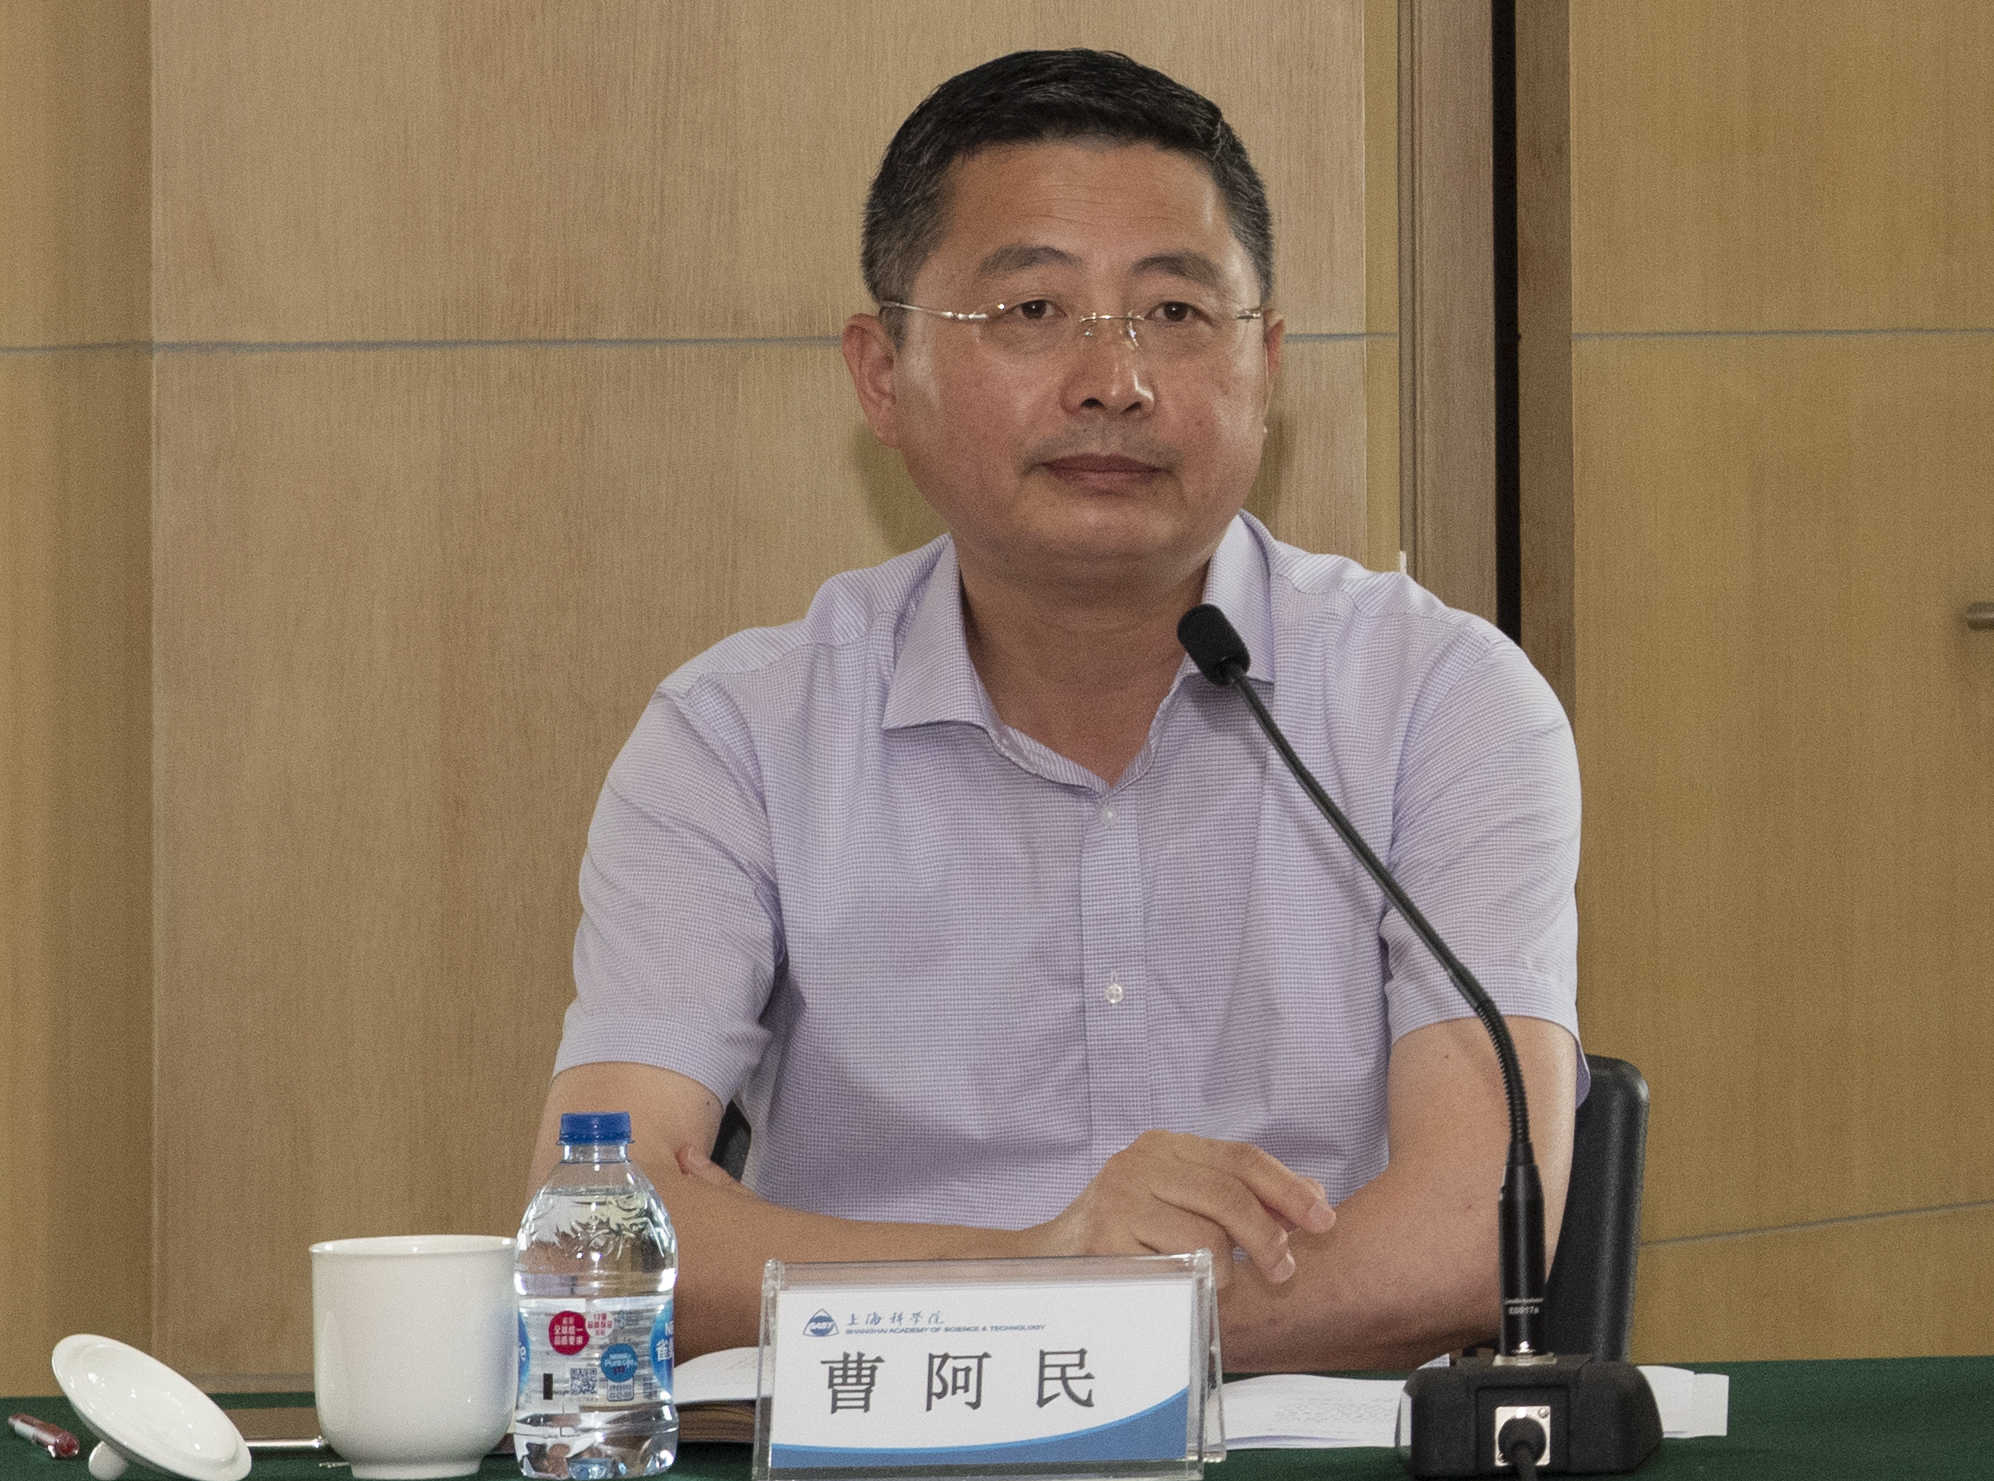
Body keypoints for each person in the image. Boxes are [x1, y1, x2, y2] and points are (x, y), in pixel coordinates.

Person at [529, 49, 1581, 1373]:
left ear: (1265, 367)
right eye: (1033, 308)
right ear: (882, 374)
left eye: (1175, 312)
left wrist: (1068, 1315)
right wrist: (1038, 1267)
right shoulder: (740, 735)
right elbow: (595, 1238)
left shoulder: (1439, 701)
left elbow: (1468, 1236)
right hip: (886, 1443)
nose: (1113, 380)